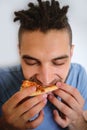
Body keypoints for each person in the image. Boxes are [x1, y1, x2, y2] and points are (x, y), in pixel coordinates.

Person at [0, 0, 87, 130]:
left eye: (58, 62)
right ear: (20, 52)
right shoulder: (2, 80)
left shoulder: (79, 75)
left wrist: (80, 123)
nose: (46, 79)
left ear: (71, 53)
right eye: (32, 62)